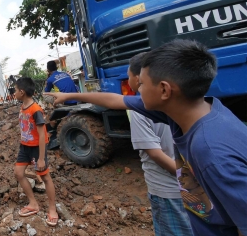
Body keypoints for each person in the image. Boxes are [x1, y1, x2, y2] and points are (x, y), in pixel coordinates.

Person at [44, 40, 247, 236]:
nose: (137, 90)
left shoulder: (211, 153)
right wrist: (72, 98)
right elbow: (115, 100)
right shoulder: (189, 110)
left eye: (142, 84)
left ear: (164, 90)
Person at [127, 52, 193, 236]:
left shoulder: (140, 108)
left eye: (129, 75)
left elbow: (155, 154)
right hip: (192, 188)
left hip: (167, 190)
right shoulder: (180, 98)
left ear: (138, 78)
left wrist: (186, 178)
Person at [13, 77, 58, 227]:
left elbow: (42, 135)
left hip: (36, 148)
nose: (13, 93)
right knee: (18, 173)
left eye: (15, 90)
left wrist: (41, 158)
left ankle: (52, 210)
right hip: (24, 147)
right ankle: (33, 204)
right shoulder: (23, 107)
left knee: (45, 178)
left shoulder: (36, 110)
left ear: (22, 92)